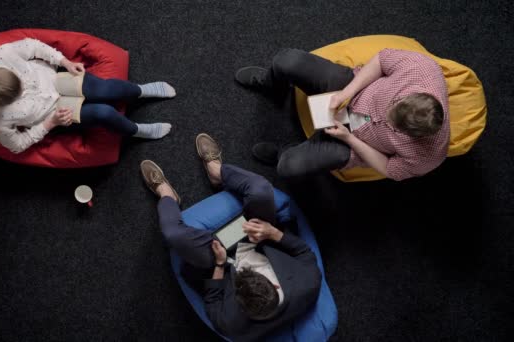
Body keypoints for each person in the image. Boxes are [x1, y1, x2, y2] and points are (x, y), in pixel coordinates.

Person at [140, 133, 321, 341]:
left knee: (173, 234)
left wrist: (218, 265)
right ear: (277, 285)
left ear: (240, 303)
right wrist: (272, 232)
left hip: (222, 260)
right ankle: (217, 173)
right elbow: (303, 251)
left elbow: (212, 299)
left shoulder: (233, 326)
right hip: (260, 238)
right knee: (261, 189)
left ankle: (167, 196)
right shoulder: (309, 285)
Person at [235, 48, 450, 181]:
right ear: (408, 96)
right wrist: (346, 93)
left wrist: (348, 138)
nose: (383, 117)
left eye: (392, 125)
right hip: (354, 91)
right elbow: (381, 60)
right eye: (394, 104)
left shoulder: (428, 156)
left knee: (287, 167)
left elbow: (389, 169)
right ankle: (274, 86)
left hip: (357, 144)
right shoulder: (422, 70)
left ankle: (283, 152)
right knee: (286, 60)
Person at [0, 38, 175, 154]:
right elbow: (16, 145)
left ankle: (141, 91)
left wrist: (64, 62)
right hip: (53, 113)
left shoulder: (1, 56)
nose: (24, 90)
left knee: (106, 90)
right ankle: (136, 130)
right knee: (103, 113)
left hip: (55, 79)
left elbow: (34, 47)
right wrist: (50, 124)